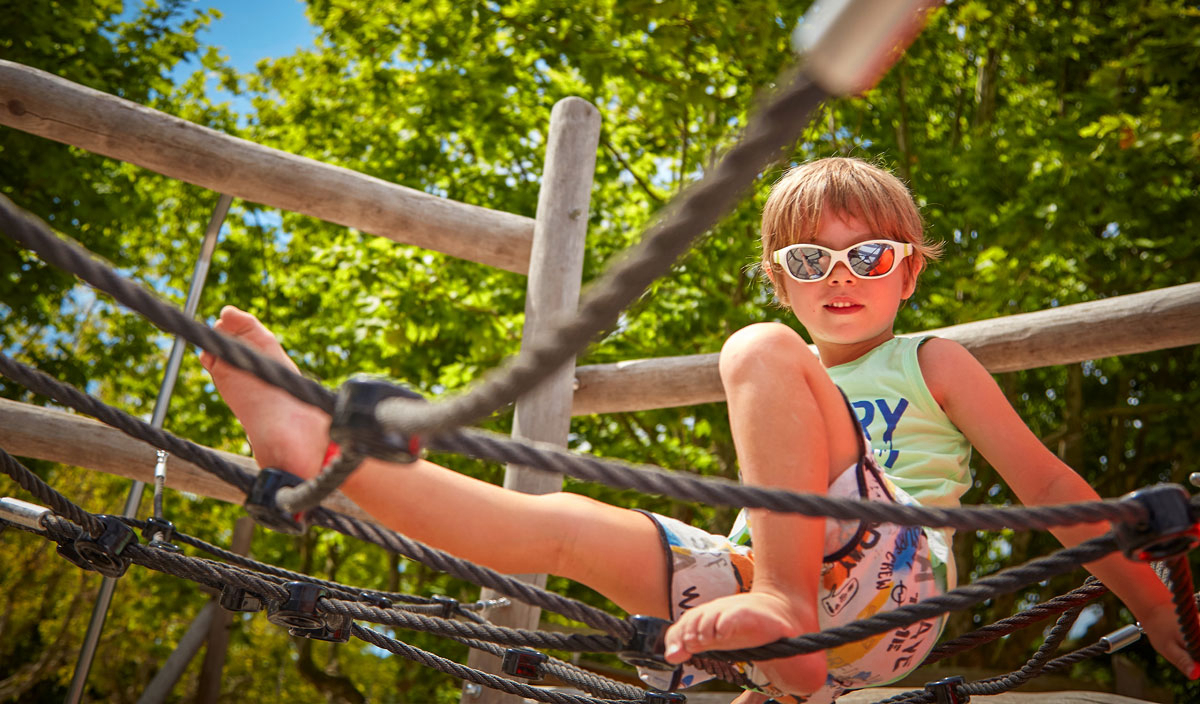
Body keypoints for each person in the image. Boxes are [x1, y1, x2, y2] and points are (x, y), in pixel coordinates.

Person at [201, 157, 1198, 703]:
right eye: (809, 264)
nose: (839, 276)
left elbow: (1047, 481)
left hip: (896, 595)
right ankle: (325, 456)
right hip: (770, 592)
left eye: (869, 254)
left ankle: (785, 611)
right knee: (567, 524)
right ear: (782, 279)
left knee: (756, 353)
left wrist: (1155, 607)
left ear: (910, 271)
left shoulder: (928, 360)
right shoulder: (795, 383)